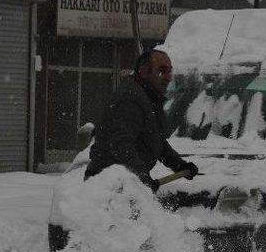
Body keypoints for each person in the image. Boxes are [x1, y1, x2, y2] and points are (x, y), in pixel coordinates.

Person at [84, 49, 198, 192]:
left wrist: (179, 165)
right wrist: (142, 177)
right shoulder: (130, 100)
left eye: (170, 71)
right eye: (162, 71)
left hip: (123, 183)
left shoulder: (149, 98)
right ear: (143, 72)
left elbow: (155, 139)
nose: (168, 77)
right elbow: (121, 146)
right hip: (109, 187)